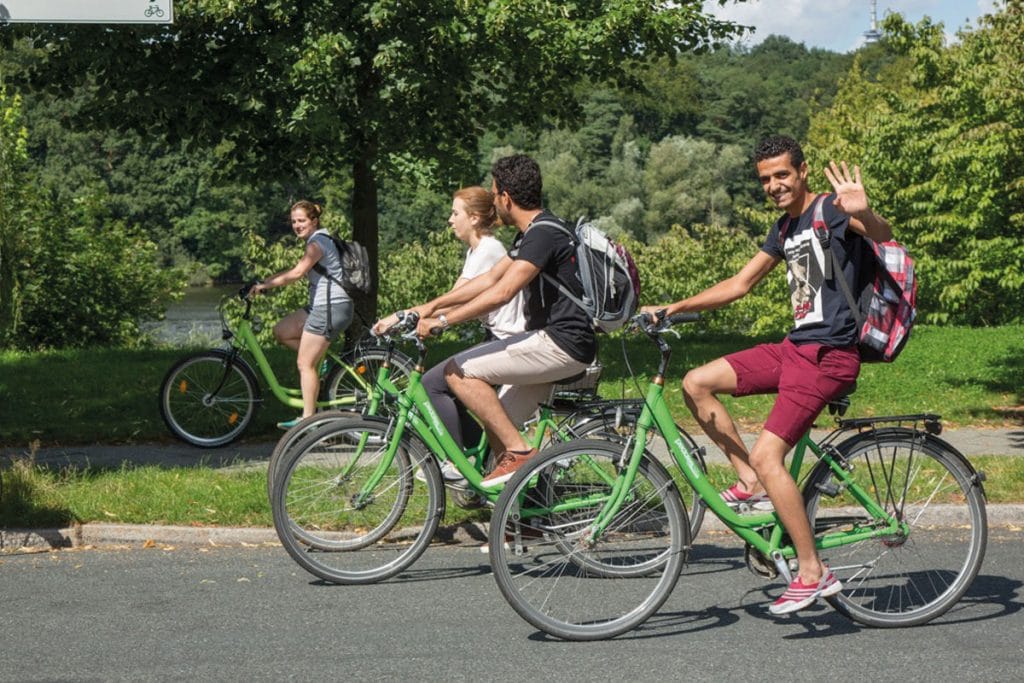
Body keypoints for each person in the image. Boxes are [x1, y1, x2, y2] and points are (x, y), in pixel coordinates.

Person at [641, 135, 893, 616]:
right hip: (796, 347)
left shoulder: (833, 211)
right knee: (697, 382)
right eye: (765, 179)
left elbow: (880, 236)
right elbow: (740, 283)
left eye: (782, 175)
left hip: (830, 354)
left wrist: (866, 210)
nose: (774, 185)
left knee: (769, 453)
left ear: (801, 171)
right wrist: (673, 307)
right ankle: (750, 482)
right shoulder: (785, 227)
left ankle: (813, 572)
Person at [374, 154, 596, 487]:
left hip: (560, 344)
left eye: (495, 195)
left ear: (506, 198)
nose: (493, 203)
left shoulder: (542, 234)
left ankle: (521, 455)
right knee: (497, 425)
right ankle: (524, 516)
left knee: (456, 373)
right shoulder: (533, 232)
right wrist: (425, 308)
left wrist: (444, 321)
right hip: (557, 342)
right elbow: (490, 279)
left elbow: (502, 293)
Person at [413, 186, 528, 484]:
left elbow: (459, 296)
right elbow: (458, 294)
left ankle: (457, 462)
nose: (450, 220)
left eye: (455, 213)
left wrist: (422, 317)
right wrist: (419, 315)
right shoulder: (478, 249)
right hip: (497, 337)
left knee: (433, 384)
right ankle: (480, 460)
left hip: (507, 340)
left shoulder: (489, 250)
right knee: (448, 388)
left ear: (474, 218)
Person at [249, 200, 354, 429]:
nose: (297, 225)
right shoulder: (320, 239)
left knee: (304, 363)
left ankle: (308, 420)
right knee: (282, 331)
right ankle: (321, 357)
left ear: (314, 221)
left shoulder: (316, 243)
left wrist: (264, 285)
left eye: (302, 221)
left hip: (331, 306)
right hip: (322, 305)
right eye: (294, 221)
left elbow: (297, 273)